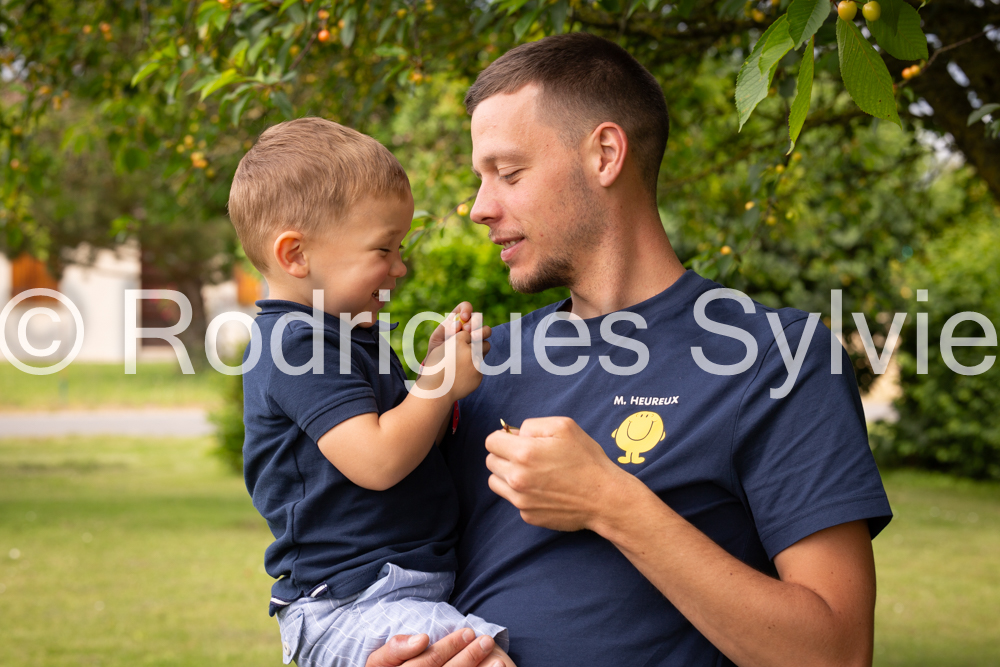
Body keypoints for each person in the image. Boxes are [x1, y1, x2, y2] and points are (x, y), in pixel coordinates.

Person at [365, 32, 892, 667]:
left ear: (606, 154)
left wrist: (610, 502)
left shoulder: (777, 359)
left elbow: (836, 653)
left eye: (509, 173)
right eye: (481, 178)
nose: (480, 208)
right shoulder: (482, 364)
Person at [228, 117, 514, 667]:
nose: (400, 267)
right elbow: (377, 462)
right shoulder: (295, 343)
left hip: (394, 592)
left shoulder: (350, 335)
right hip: (352, 603)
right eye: (383, 249)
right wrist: (437, 385)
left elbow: (408, 446)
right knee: (488, 659)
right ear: (295, 255)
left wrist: (433, 371)